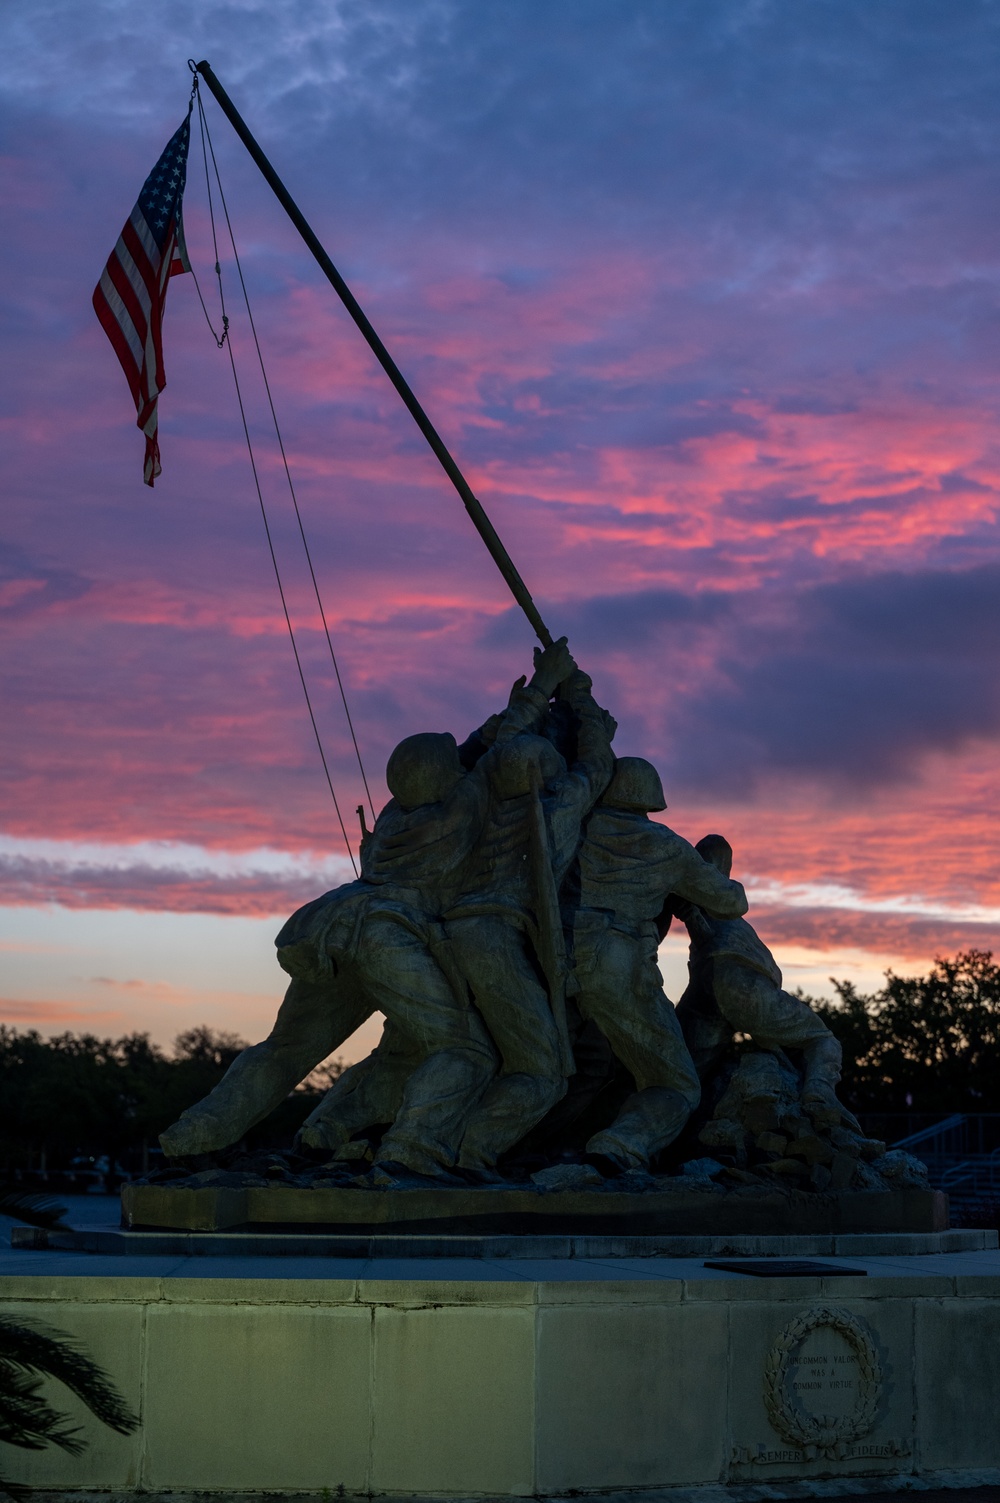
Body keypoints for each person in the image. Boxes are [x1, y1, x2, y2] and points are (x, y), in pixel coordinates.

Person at [159, 637, 576, 1174]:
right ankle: (413, 1152)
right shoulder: (461, 808)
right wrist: (545, 684)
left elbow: (472, 751)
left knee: (284, 1049)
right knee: (465, 1051)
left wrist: (536, 694)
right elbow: (494, 753)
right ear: (448, 778)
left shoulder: (392, 818)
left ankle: (193, 1138)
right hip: (388, 936)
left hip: (333, 924)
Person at [444, 670, 617, 1175]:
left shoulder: (471, 802)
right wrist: (581, 698)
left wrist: (539, 691)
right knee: (543, 1070)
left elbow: (499, 747)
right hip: (495, 939)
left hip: (444, 935)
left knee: (470, 1052)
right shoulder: (559, 806)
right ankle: (462, 1156)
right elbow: (598, 764)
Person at [568, 758, 749, 1173]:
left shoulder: (577, 830)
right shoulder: (663, 845)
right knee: (677, 1083)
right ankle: (618, 1146)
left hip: (562, 963)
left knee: (589, 1066)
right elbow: (731, 901)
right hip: (620, 968)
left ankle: (544, 1145)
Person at [672, 834, 846, 1126]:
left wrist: (692, 916)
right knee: (821, 1039)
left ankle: (657, 1142)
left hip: (706, 988)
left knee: (683, 1080)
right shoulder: (721, 902)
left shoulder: (712, 909)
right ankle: (819, 1093)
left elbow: (704, 934)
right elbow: (706, 931)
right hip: (741, 983)